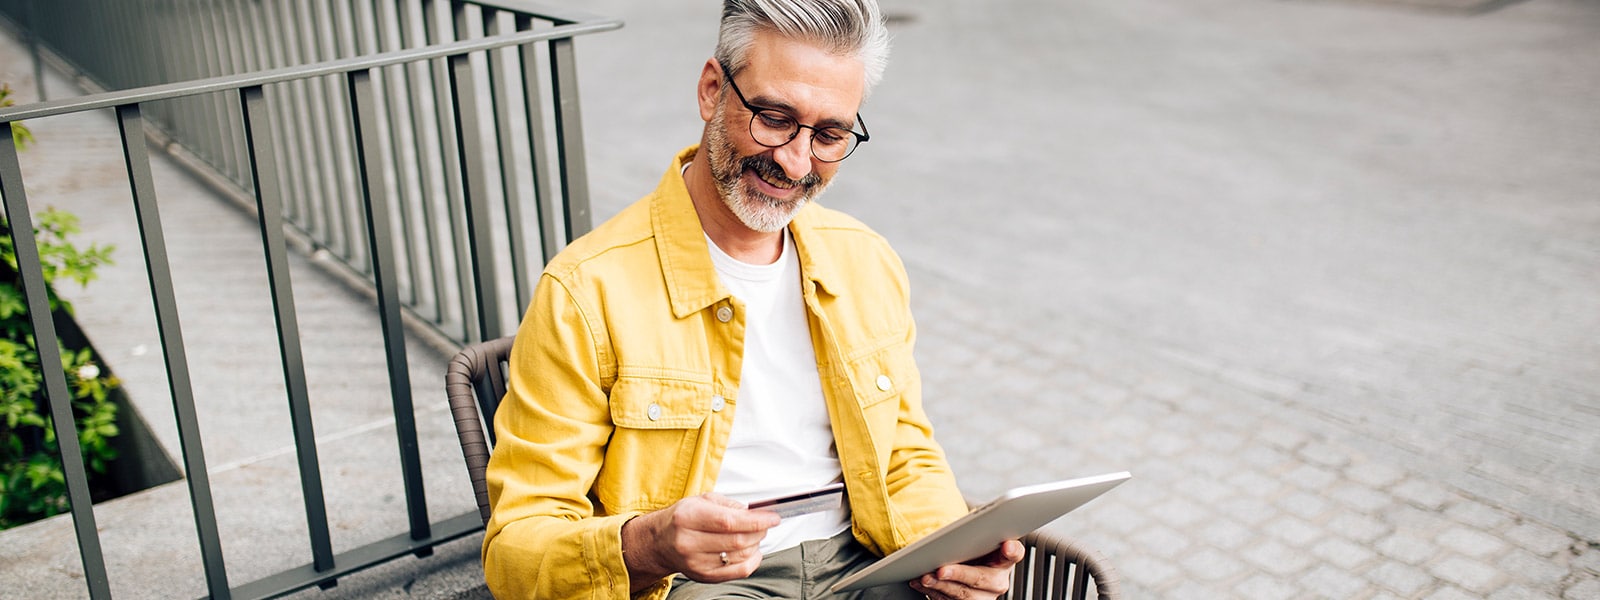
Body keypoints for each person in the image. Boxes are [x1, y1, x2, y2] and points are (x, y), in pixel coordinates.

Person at [482, 1, 1023, 598]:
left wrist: (953, 550)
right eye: (773, 117)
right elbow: (515, 550)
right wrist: (648, 543)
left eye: (830, 134)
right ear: (712, 90)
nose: (795, 162)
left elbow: (906, 454)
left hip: (868, 563)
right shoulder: (586, 289)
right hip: (701, 584)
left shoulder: (865, 261)